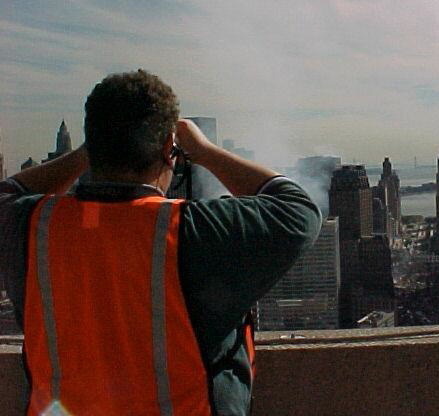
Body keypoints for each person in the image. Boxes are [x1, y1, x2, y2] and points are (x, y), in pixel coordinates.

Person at [0, 69, 321, 415]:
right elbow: (297, 210)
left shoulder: (33, 226)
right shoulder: (192, 232)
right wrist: (204, 150)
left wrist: (87, 153)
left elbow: (9, 191)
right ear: (170, 148)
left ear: (93, 144)